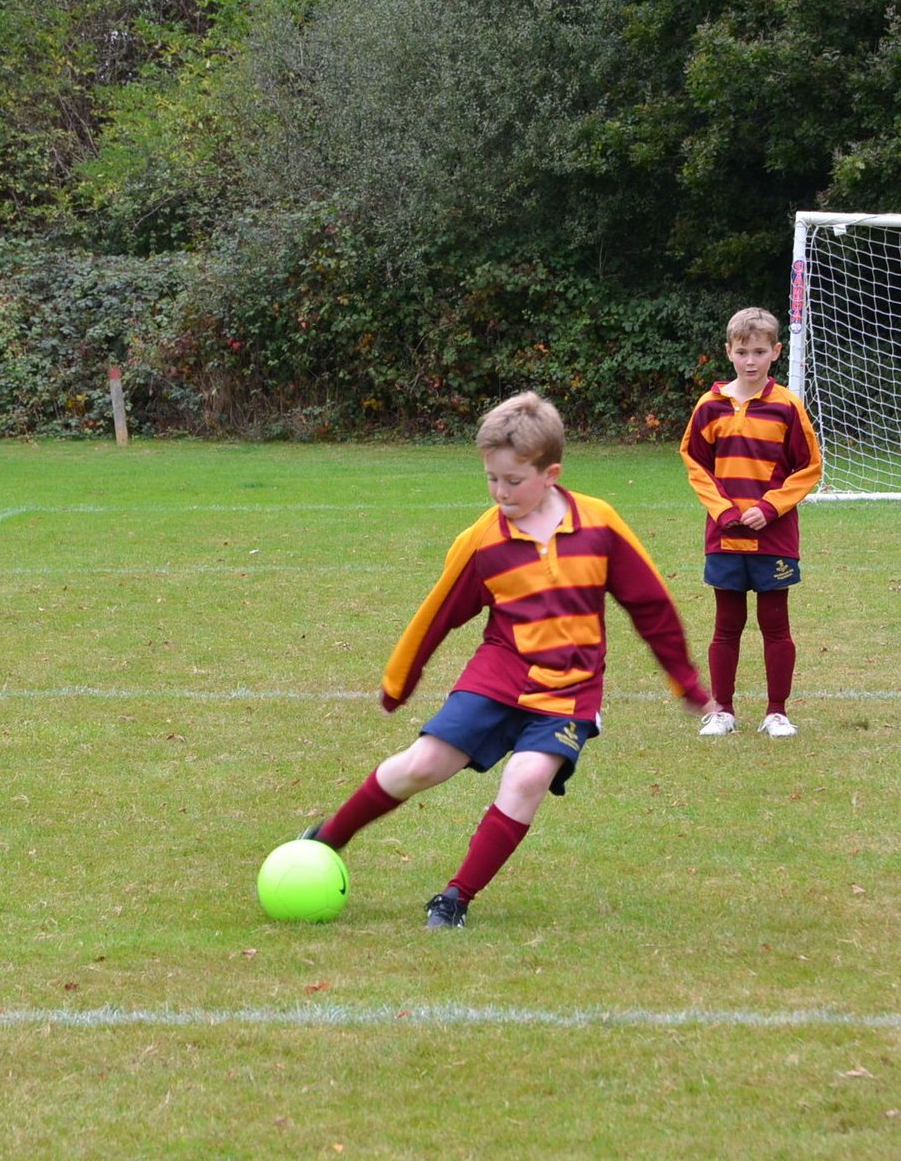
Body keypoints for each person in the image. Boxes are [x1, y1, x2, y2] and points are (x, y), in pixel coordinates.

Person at [300, 391, 715, 928]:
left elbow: (650, 604)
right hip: (498, 675)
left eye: (513, 481)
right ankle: (328, 838)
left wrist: (683, 678)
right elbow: (438, 612)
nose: (500, 492)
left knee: (525, 778)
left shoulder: (599, 525)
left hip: (570, 692)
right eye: (491, 479)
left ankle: (454, 898)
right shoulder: (484, 541)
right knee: (423, 763)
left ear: (551, 473)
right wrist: (399, 679)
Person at [679, 307, 822, 739]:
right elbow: (695, 464)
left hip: (774, 538)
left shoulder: (787, 407)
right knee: (727, 625)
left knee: (775, 624)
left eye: (760, 351)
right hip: (725, 537)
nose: (751, 360)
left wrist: (771, 507)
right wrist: (724, 511)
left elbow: (808, 467)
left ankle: (776, 711)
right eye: (742, 352)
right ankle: (722, 710)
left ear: (776, 352)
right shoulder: (709, 407)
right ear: (729, 352)